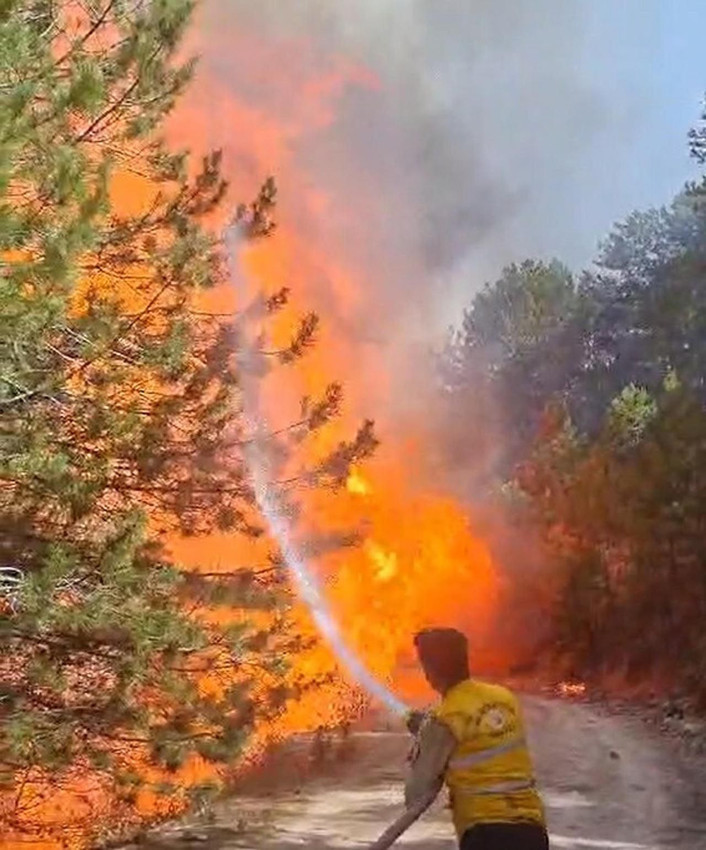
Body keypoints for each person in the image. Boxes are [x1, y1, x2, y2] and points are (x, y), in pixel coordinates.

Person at [404, 628, 549, 850]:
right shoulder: (503, 698)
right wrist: (429, 730)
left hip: (485, 835)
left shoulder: (445, 719)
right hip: (532, 831)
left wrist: (425, 740)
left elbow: (415, 795)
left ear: (428, 668)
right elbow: (479, 738)